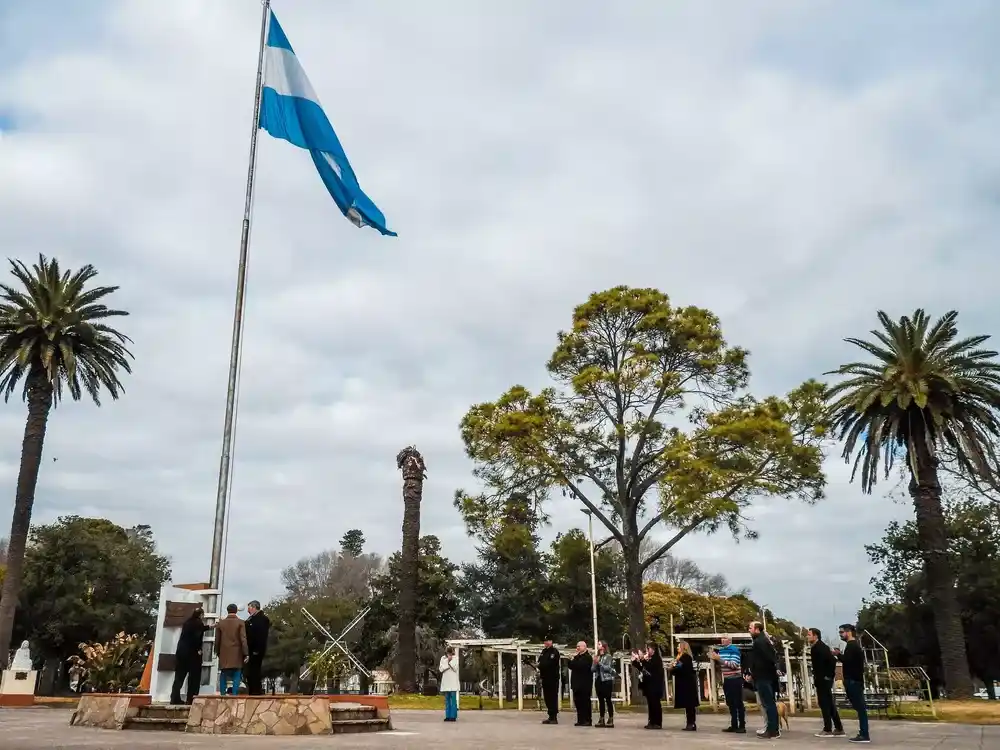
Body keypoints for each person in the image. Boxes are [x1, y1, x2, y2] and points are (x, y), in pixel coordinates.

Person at [808, 627, 845, 737]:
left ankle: (827, 729)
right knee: (829, 703)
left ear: (815, 636)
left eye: (809, 634)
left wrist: (828, 676)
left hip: (824, 680)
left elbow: (832, 661)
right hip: (820, 679)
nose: (807, 636)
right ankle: (838, 728)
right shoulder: (815, 647)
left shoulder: (820, 647)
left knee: (824, 703)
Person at [837, 624, 870, 744]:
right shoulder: (853, 646)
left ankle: (864, 734)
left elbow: (848, 661)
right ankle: (863, 733)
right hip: (854, 681)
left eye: (842, 632)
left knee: (860, 708)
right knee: (860, 708)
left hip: (853, 681)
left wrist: (838, 655)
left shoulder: (852, 646)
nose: (840, 635)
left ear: (849, 632)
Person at [170, 606, 208, 705]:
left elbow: (197, 630)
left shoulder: (187, 622)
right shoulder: (198, 623)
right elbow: (197, 637)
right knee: (194, 678)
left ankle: (174, 698)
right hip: (193, 655)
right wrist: (199, 649)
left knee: (179, 677)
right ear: (201, 615)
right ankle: (191, 699)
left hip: (181, 653)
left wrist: (209, 627)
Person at [749, 621, 780, 739]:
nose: (749, 630)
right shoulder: (762, 641)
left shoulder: (760, 642)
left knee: (768, 704)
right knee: (768, 703)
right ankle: (772, 729)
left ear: (757, 629)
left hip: (764, 677)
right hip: (764, 676)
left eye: (750, 628)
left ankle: (773, 730)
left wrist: (756, 672)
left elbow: (769, 658)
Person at [711, 636, 746, 733]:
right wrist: (715, 658)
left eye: (725, 638)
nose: (722, 640)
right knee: (730, 703)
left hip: (735, 678)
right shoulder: (721, 651)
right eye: (721, 638)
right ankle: (734, 724)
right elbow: (721, 665)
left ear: (730, 640)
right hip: (727, 679)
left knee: (738, 703)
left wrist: (719, 659)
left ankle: (742, 725)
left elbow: (734, 665)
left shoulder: (734, 650)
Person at [215, 603, 248, 695]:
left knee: (223, 674)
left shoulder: (221, 623)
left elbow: (217, 639)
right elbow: (243, 639)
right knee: (237, 674)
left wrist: (217, 652)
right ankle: (234, 694)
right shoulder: (241, 622)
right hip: (237, 653)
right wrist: (246, 653)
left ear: (227, 610)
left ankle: (222, 694)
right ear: (236, 611)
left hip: (224, 653)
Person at [631, 644, 664, 730]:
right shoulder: (649, 659)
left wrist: (642, 658)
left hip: (655, 685)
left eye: (648, 649)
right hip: (649, 685)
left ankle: (657, 722)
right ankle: (651, 721)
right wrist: (635, 661)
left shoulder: (656, 659)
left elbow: (649, 667)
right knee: (650, 704)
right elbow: (643, 668)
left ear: (653, 650)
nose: (647, 651)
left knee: (655, 704)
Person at [670, 640, 700, 731]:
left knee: (689, 705)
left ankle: (691, 723)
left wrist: (672, 668)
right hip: (686, 682)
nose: (677, 648)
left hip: (687, 684)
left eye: (679, 646)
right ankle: (690, 723)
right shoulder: (682, 657)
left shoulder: (685, 657)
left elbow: (679, 668)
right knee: (688, 705)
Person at [244, 600, 270, 696]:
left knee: (254, 671)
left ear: (254, 607)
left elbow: (261, 636)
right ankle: (253, 690)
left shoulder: (262, 619)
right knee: (250, 672)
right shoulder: (251, 619)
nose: (248, 610)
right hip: (251, 649)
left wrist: (256, 650)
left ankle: (255, 691)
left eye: (249, 608)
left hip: (256, 650)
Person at [568, 641, 593, 727]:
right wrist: (571, 660)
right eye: (577, 646)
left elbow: (580, 666)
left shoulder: (587, 657)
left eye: (579, 646)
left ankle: (587, 720)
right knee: (578, 702)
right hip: (576, 683)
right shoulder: (577, 656)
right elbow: (571, 666)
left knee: (585, 702)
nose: (577, 648)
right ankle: (580, 719)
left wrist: (573, 660)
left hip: (585, 684)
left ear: (584, 647)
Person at [592, 641, 616, 728]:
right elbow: (592, 670)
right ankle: (601, 718)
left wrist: (600, 663)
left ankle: (610, 718)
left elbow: (609, 669)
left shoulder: (608, 657)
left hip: (606, 680)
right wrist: (594, 663)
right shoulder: (597, 656)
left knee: (608, 699)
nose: (598, 645)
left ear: (603, 646)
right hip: (598, 680)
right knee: (600, 700)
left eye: (599, 644)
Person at [537, 636, 561, 725]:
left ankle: (554, 716)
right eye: (545, 641)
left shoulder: (554, 652)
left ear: (551, 641)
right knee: (547, 697)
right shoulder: (544, 651)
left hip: (553, 678)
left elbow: (549, 663)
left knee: (552, 697)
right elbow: (540, 661)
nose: (546, 642)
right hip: (545, 677)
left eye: (548, 641)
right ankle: (550, 715)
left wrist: (541, 665)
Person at [439, 646, 459, 722]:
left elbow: (455, 668)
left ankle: (453, 716)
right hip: (446, 682)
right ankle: (447, 716)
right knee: (447, 700)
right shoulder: (443, 658)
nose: (449, 653)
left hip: (453, 682)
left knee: (453, 700)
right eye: (448, 652)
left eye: (450, 652)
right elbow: (441, 669)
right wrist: (448, 662)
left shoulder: (456, 658)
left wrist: (450, 661)